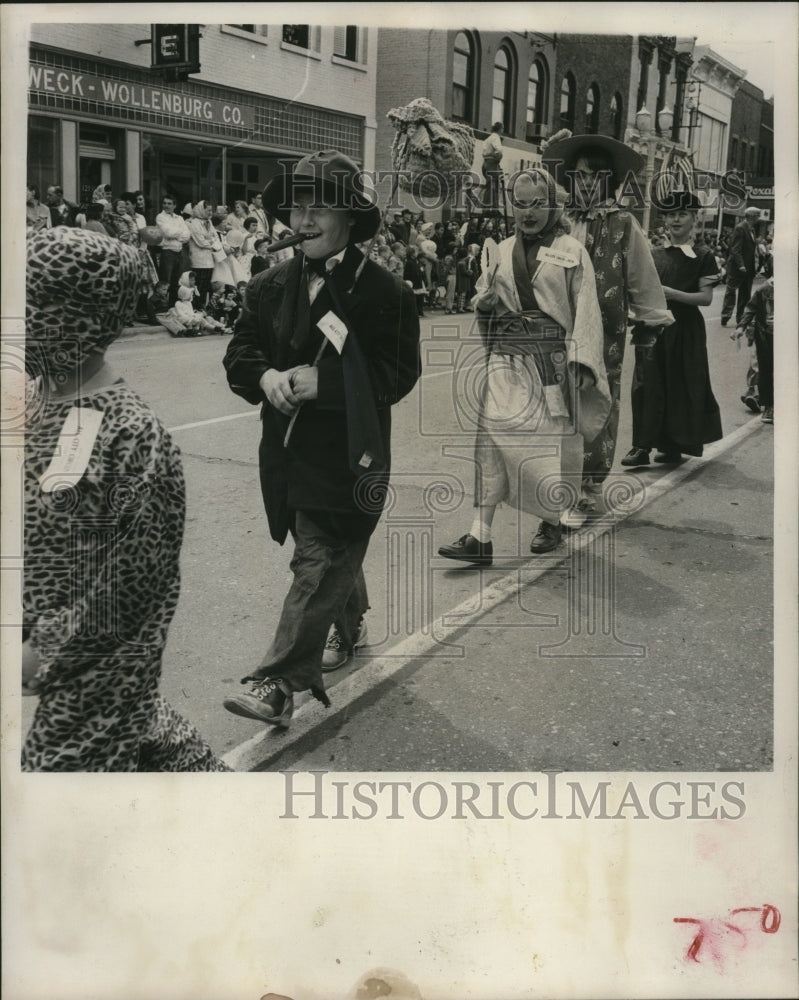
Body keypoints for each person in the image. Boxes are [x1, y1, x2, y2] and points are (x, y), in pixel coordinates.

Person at [222, 149, 421, 724]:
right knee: (330, 551)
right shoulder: (266, 285)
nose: (303, 221)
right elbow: (240, 352)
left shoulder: (389, 293)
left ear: (351, 219)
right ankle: (351, 618)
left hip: (348, 458)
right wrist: (265, 376)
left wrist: (324, 382)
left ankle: (278, 683)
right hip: (284, 454)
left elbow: (397, 375)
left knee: (318, 555)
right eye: (296, 208)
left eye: (319, 208)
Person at [22, 227, 230, 771]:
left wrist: (41, 653)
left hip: (93, 684)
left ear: (74, 316)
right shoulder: (38, 399)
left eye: (23, 305)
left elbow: (129, 587)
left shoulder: (131, 434)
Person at [438, 168, 610, 564]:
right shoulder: (500, 250)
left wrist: (582, 358)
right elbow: (488, 299)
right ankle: (479, 536)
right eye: (520, 203)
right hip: (506, 358)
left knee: (552, 442)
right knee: (492, 438)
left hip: (551, 363)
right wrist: (484, 305)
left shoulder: (571, 250)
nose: (528, 212)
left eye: (537, 203)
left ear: (553, 205)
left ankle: (551, 520)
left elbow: (586, 307)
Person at [541, 132, 673, 524]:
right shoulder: (557, 223)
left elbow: (642, 280)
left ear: (609, 181)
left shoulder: (623, 224)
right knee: (558, 406)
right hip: (560, 330)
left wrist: (649, 324)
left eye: (596, 175)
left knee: (597, 403)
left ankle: (588, 491)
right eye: (580, 175)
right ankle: (558, 485)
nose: (587, 183)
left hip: (605, 335)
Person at [622, 192, 722, 466]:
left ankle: (673, 445)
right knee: (645, 384)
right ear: (664, 219)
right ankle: (641, 447)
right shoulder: (651, 254)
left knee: (680, 384)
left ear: (694, 218)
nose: (675, 219)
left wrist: (671, 294)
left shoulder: (704, 256)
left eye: (682, 214)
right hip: (652, 325)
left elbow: (705, 298)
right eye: (670, 214)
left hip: (685, 329)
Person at [734, 255, 774, 424]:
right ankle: (769, 406)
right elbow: (750, 308)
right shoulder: (765, 289)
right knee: (765, 370)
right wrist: (741, 327)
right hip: (766, 335)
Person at [721, 206, 761, 327]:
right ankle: (725, 316)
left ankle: (741, 318)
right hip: (738, 268)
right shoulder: (740, 228)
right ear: (752, 217)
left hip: (748, 268)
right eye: (757, 216)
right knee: (731, 292)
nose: (759, 218)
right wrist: (741, 265)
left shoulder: (751, 229)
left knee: (745, 294)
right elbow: (735, 249)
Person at [155, 194, 191, 305]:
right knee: (165, 280)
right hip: (167, 252)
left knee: (177, 281)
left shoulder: (179, 218)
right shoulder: (160, 217)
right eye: (164, 203)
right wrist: (179, 233)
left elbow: (187, 235)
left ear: (174, 205)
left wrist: (176, 234)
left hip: (179, 252)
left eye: (169, 203)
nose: (166, 205)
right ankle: (161, 305)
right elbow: (167, 232)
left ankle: (172, 305)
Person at [187, 199, 223, 308]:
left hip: (209, 261)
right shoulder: (193, 223)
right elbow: (201, 242)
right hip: (198, 261)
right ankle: (195, 308)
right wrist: (212, 241)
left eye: (211, 210)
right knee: (198, 286)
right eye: (208, 210)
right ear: (201, 210)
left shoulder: (209, 222)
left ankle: (203, 308)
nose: (210, 213)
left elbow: (216, 237)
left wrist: (210, 239)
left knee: (206, 287)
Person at [481, 122, 504, 209]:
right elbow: (499, 151)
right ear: (500, 129)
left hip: (485, 164)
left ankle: (486, 207)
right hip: (492, 163)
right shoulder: (496, 138)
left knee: (489, 185)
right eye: (502, 128)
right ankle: (494, 207)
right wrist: (497, 158)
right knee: (495, 186)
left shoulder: (488, 139)